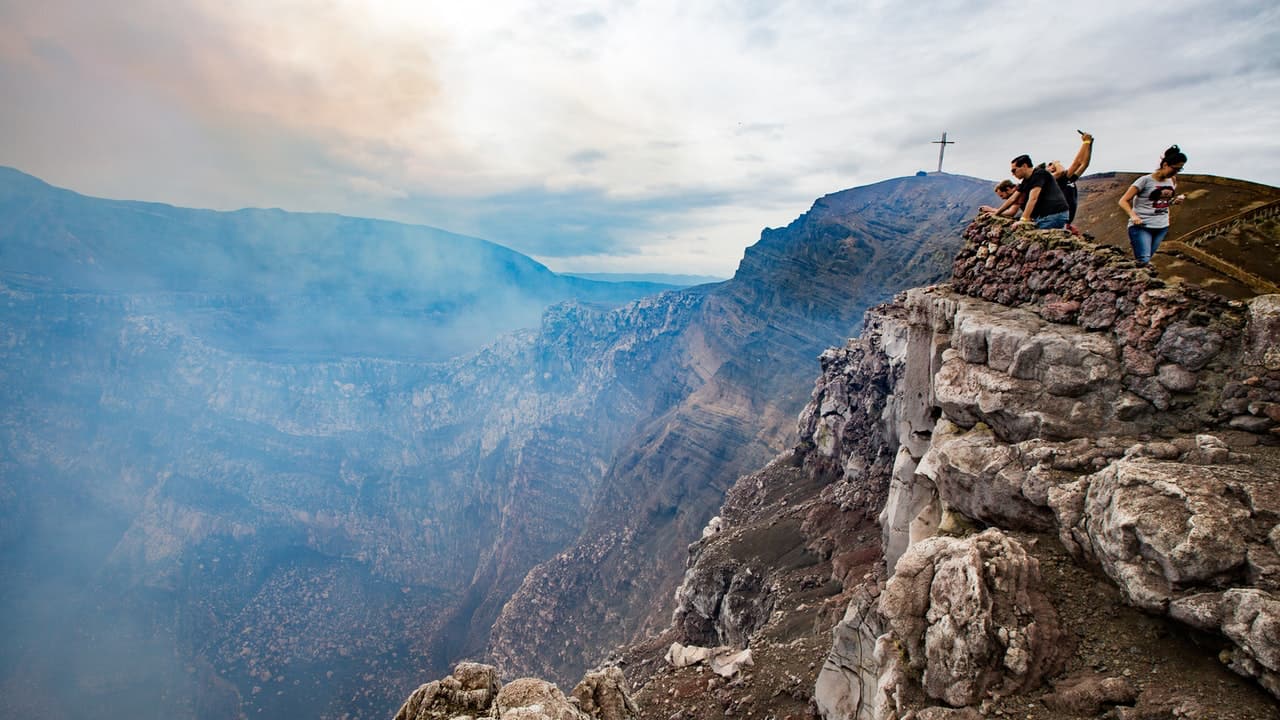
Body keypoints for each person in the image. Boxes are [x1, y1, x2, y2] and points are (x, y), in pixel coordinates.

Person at [1118, 145, 1187, 264]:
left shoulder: (1172, 180)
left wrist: (1174, 201)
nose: (1176, 172)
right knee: (1143, 260)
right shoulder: (1144, 180)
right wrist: (1133, 216)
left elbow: (1162, 202)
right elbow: (1123, 201)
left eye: (1179, 169)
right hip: (1142, 226)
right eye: (1174, 168)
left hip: (1161, 226)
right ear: (1165, 165)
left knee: (1147, 258)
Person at [985, 154, 1071, 229]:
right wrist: (996, 213)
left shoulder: (1039, 174)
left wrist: (1024, 219)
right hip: (1044, 216)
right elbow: (1012, 199)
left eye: (1014, 170)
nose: (1013, 174)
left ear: (1024, 166)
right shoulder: (1026, 181)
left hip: (1054, 215)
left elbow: (1033, 198)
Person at [1045, 130, 1094, 224]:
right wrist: (1056, 162)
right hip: (1058, 218)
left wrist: (1089, 144)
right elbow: (1076, 164)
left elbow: (1084, 164)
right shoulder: (1054, 180)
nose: (1053, 165)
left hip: (1066, 219)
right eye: (1049, 165)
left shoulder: (1068, 179)